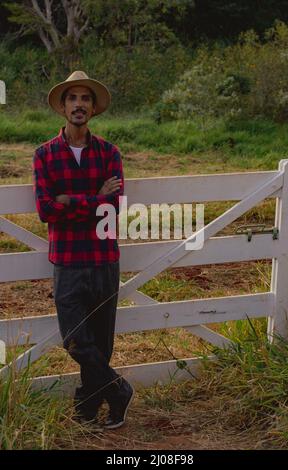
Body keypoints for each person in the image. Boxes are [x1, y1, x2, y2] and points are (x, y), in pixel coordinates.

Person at [32, 70, 134, 430]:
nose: (79, 104)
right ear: (63, 107)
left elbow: (114, 208)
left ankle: (90, 411)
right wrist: (95, 198)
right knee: (75, 340)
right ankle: (119, 389)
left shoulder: (109, 153)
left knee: (101, 345)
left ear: (93, 108)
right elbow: (46, 210)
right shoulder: (44, 155)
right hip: (69, 262)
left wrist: (69, 201)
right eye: (72, 98)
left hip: (104, 260)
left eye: (85, 98)